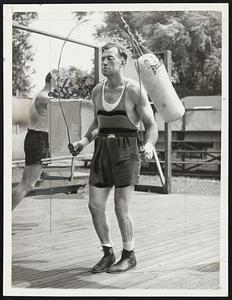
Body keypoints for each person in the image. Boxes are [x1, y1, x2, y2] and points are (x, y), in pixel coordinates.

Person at [69, 42, 158, 273]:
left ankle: (129, 255)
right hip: (102, 150)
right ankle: (107, 253)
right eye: (103, 59)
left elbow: (152, 125)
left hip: (127, 150)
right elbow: (98, 123)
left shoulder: (134, 89)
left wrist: (148, 144)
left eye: (110, 58)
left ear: (123, 61)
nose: (105, 63)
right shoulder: (98, 90)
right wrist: (82, 142)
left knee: (120, 207)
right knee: (95, 205)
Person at [12, 72, 52, 210]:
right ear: (53, 80)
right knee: (27, 184)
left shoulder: (39, 95)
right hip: (39, 139)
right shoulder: (44, 98)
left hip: (36, 137)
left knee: (25, 183)